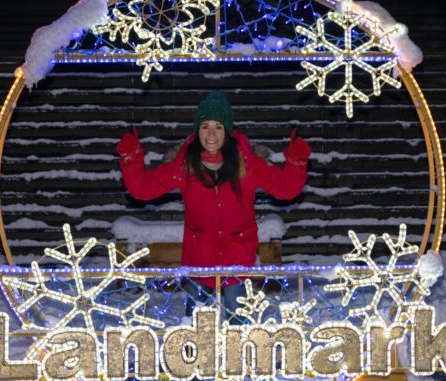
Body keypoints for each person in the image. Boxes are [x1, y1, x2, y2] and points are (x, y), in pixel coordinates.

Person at [116, 91, 311, 321]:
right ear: (197, 130)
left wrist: (296, 162)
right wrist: (132, 160)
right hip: (198, 259)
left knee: (237, 326)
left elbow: (286, 188)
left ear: (227, 131)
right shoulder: (185, 164)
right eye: (205, 126)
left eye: (218, 126)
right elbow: (144, 189)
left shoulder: (246, 161)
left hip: (237, 258)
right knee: (197, 329)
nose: (211, 134)